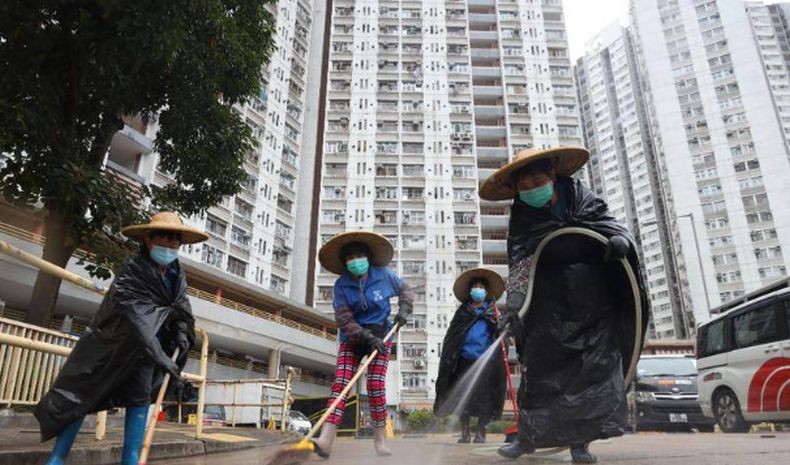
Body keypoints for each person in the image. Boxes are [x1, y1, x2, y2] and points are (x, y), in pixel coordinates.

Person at [479, 147, 648, 464]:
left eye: (536, 180)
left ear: (553, 173)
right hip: (548, 302)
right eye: (523, 186)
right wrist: (513, 306)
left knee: (590, 375)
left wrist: (621, 243)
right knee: (540, 371)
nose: (530, 189)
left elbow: (614, 229)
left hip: (593, 300)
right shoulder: (523, 215)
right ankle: (527, 438)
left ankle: (580, 445)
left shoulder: (583, 199)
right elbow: (519, 262)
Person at [34, 212, 206, 465]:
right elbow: (134, 316)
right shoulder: (132, 269)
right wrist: (159, 355)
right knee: (81, 399)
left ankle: (132, 461)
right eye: (163, 241)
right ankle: (57, 459)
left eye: (174, 243)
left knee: (139, 403)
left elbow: (180, 307)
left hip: (145, 356)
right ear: (148, 240)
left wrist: (181, 330)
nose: (169, 248)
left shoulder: (176, 274)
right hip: (112, 346)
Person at [311, 231, 414, 458]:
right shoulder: (341, 286)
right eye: (350, 258)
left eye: (359, 256)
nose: (355, 261)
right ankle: (326, 439)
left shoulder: (384, 276)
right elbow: (344, 319)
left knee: (376, 386)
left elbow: (406, 290)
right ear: (345, 263)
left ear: (367, 257)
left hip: (382, 337)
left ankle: (380, 440)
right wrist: (365, 336)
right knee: (341, 385)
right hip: (353, 339)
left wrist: (405, 309)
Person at [434, 267, 507, 444]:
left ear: (487, 292)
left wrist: (502, 327)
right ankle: (464, 432)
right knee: (463, 398)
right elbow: (452, 337)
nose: (479, 290)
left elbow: (501, 336)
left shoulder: (493, 313)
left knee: (485, 398)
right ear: (470, 291)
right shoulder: (463, 312)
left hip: (485, 362)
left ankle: (481, 432)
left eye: (482, 287)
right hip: (463, 361)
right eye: (476, 286)